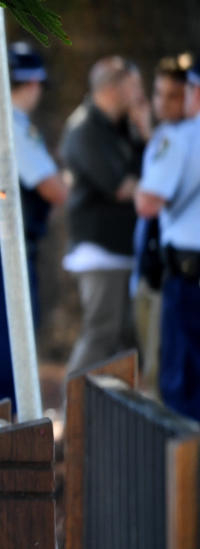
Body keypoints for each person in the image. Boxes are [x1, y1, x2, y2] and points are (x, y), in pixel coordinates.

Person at [0, 42, 67, 409]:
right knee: (6, 358)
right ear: (33, 84)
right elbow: (53, 189)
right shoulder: (9, 126)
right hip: (5, 255)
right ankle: (1, 452)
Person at [60, 56, 145, 375]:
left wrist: (145, 131)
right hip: (99, 250)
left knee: (125, 340)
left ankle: (110, 419)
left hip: (123, 248)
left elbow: (143, 171)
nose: (140, 94)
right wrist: (151, 189)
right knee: (101, 333)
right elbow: (121, 187)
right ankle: (72, 411)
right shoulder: (84, 128)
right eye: (133, 86)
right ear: (112, 89)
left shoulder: (123, 127)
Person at [134, 60, 200, 421]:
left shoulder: (178, 138)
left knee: (180, 384)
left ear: (195, 91)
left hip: (189, 278)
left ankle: (185, 476)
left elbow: (148, 203)